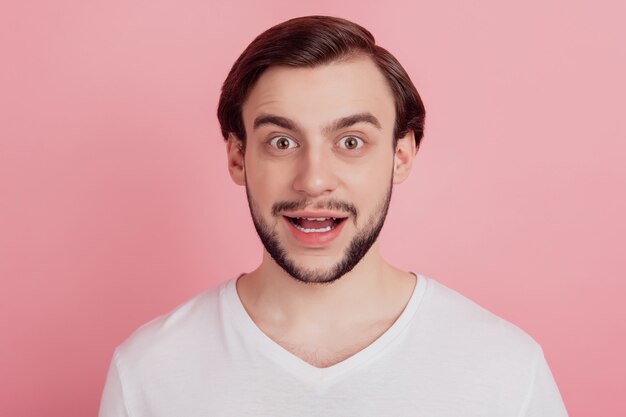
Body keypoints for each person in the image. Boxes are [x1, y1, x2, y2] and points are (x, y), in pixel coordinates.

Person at [99, 15, 568, 416]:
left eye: (350, 142)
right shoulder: (150, 373)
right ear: (238, 158)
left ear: (400, 156)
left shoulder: (505, 372)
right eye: (282, 142)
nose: (314, 180)